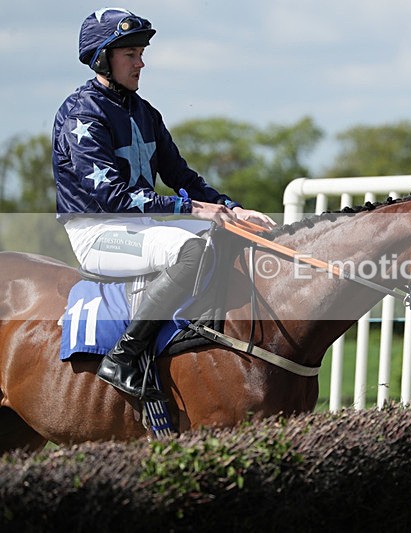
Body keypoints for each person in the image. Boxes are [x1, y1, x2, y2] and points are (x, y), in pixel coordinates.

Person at [52, 7, 275, 401]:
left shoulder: (144, 111)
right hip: (97, 232)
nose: (141, 63)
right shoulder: (81, 114)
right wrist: (190, 209)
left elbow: (183, 178)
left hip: (142, 226)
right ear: (103, 58)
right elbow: (113, 197)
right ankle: (124, 355)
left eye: (141, 53)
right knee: (190, 249)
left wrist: (233, 209)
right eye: (131, 54)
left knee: (229, 235)